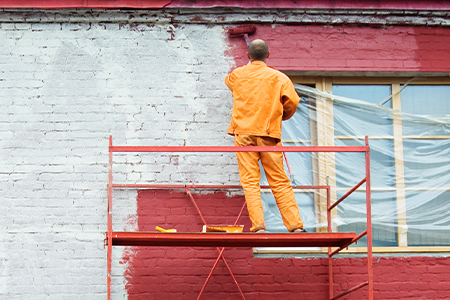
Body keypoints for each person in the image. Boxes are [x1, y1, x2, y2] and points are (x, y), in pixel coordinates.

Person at [225, 39, 306, 233]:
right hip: (269, 133)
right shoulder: (279, 78)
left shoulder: (238, 75)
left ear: (248, 56)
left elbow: (229, 81)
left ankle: (259, 225)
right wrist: (281, 115)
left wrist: (249, 66)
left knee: (250, 181)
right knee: (278, 180)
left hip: (244, 134)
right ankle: (294, 225)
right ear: (268, 55)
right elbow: (292, 102)